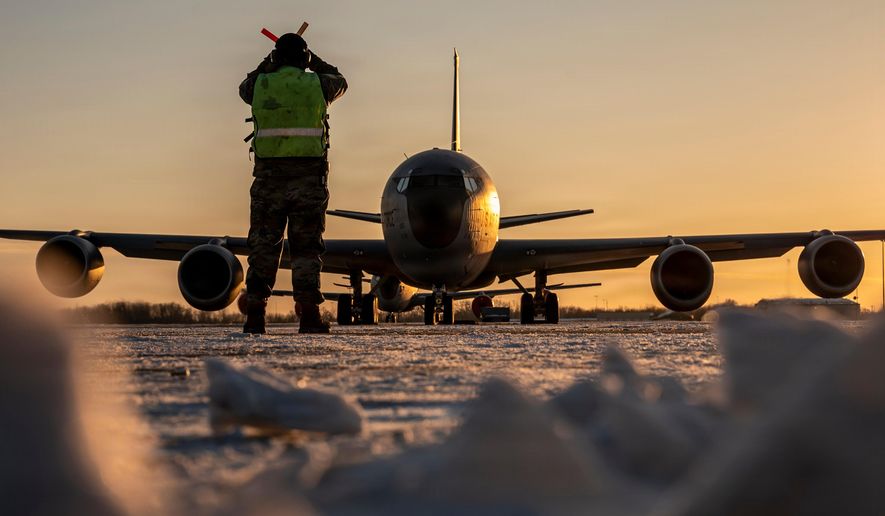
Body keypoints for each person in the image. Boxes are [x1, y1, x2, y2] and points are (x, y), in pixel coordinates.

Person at [238, 33, 347, 334]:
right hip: (308, 179)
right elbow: (340, 79)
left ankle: (256, 313)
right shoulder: (318, 85)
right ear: (304, 59)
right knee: (306, 248)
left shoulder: (260, 85)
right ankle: (310, 314)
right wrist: (316, 61)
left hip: (268, 180)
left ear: (275, 58)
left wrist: (267, 64)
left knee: (263, 245)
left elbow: (244, 87)